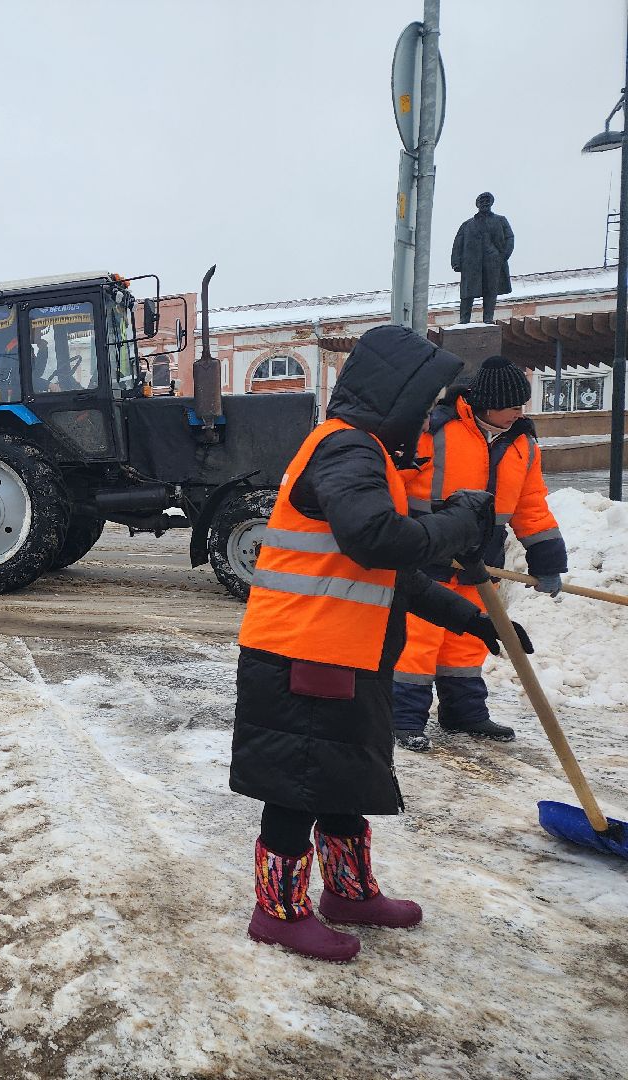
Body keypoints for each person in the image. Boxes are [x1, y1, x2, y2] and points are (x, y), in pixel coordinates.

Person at [232, 324, 532, 963]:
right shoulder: (347, 451)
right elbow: (377, 540)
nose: (426, 417)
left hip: (342, 652)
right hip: (303, 653)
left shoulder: (363, 452)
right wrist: (457, 521)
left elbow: (387, 572)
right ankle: (278, 910)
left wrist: (470, 619)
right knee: (300, 781)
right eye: (422, 401)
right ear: (395, 394)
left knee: (342, 773)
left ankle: (348, 891)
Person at [392, 356, 566, 751]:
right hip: (427, 554)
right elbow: (393, 483)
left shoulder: (523, 444)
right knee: (419, 641)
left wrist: (548, 562)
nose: (522, 412)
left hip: (481, 561)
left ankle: (464, 714)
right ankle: (402, 718)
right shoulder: (435, 430)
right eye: (514, 405)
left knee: (467, 642)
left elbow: (531, 505)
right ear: (488, 403)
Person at [451, 192, 514, 324]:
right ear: (477, 204)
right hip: (471, 263)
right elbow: (458, 243)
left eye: (487, 200)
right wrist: (456, 262)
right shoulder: (467, 225)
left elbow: (509, 238)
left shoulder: (500, 220)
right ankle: (464, 320)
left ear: (491, 202)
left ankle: (488, 319)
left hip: (492, 261)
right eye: (482, 200)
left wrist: (502, 257)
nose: (484, 203)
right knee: (467, 293)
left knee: (490, 290)